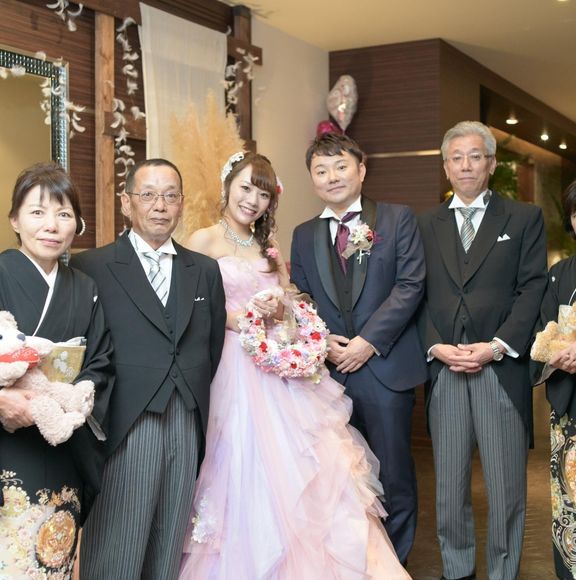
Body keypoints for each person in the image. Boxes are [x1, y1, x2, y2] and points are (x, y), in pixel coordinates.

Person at [179, 151, 410, 579]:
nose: (252, 200)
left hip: (278, 365)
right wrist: (244, 318)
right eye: (245, 188)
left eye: (263, 194)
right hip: (233, 365)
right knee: (242, 461)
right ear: (227, 186)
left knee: (312, 463)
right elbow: (193, 306)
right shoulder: (202, 240)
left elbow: (292, 301)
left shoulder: (268, 247)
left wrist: (283, 311)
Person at [72, 158, 226, 580]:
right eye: (149, 195)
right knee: (118, 546)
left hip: (186, 416)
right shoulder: (92, 267)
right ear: (127, 203)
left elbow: (212, 346)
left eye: (170, 196)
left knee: (169, 540)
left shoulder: (204, 270)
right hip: (124, 420)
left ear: (181, 204)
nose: (160, 205)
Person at [417, 121, 547, 580]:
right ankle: (456, 570)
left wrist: (497, 346)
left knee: (506, 485)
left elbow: (532, 289)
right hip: (446, 367)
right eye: (456, 157)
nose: (466, 165)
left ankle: (504, 571)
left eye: (475, 156)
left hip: (500, 367)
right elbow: (415, 292)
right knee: (449, 486)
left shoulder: (523, 218)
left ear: (491, 163)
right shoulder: (424, 224)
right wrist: (435, 344)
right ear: (445, 167)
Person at [290, 133, 427, 564]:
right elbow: (301, 297)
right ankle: (354, 563)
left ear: (361, 170)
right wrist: (322, 340)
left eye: (341, 166)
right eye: (321, 170)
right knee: (342, 475)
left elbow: (410, 285)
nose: (332, 177)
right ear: (312, 180)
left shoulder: (396, 219)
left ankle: (395, 563)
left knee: (393, 472)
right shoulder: (304, 234)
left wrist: (368, 343)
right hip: (330, 376)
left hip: (385, 370)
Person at [0, 162, 114, 578]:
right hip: (7, 446)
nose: (51, 225)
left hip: (63, 445)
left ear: (77, 225)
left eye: (64, 214)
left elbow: (100, 361)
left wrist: (78, 396)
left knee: (51, 562)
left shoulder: (84, 288)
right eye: (37, 212)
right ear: (15, 219)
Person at [536, 177, 576, 579]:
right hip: (571, 411)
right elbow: (542, 333)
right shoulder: (561, 273)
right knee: (571, 504)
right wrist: (556, 354)